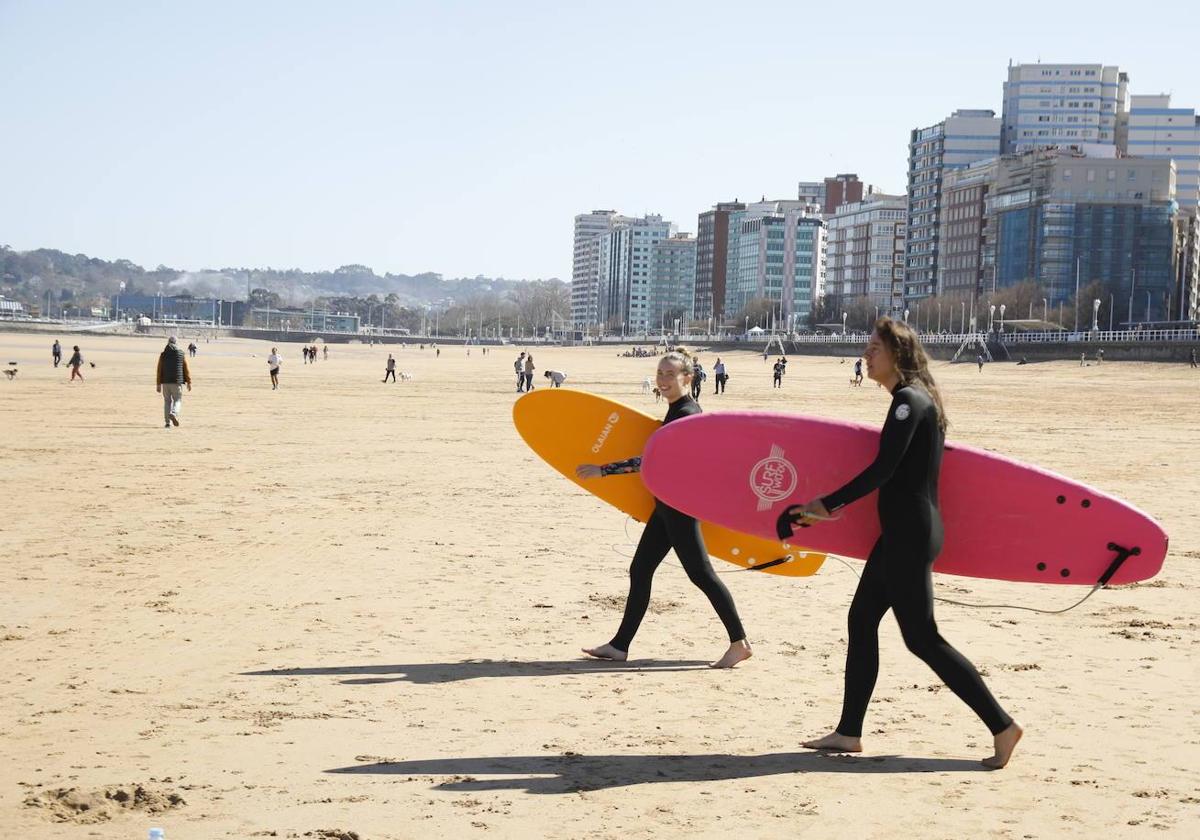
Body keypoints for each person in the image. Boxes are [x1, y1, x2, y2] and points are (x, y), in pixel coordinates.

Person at [781, 317, 1021, 769]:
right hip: (901, 533)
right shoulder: (910, 400)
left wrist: (824, 504)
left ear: (898, 355)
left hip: (909, 535)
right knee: (863, 619)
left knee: (923, 638)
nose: (867, 355)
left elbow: (883, 470)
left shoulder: (909, 402)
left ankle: (1002, 725)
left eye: (875, 348)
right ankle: (849, 731)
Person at [576, 350, 752, 669]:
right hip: (666, 506)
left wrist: (604, 470)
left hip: (680, 507)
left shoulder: (687, 414)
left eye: (670, 374)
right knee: (640, 569)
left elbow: (655, 460)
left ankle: (739, 642)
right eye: (660, 373)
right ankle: (619, 645)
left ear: (688, 378)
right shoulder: (674, 411)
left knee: (701, 574)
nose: (663, 380)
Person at [155, 336, 192, 428]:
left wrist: (158, 384)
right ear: (176, 343)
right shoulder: (181, 354)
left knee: (167, 401)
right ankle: (174, 413)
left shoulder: (163, 354)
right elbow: (185, 369)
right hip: (177, 381)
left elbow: (159, 369)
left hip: (166, 382)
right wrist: (189, 382)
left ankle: (167, 423)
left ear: (168, 342)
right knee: (177, 400)